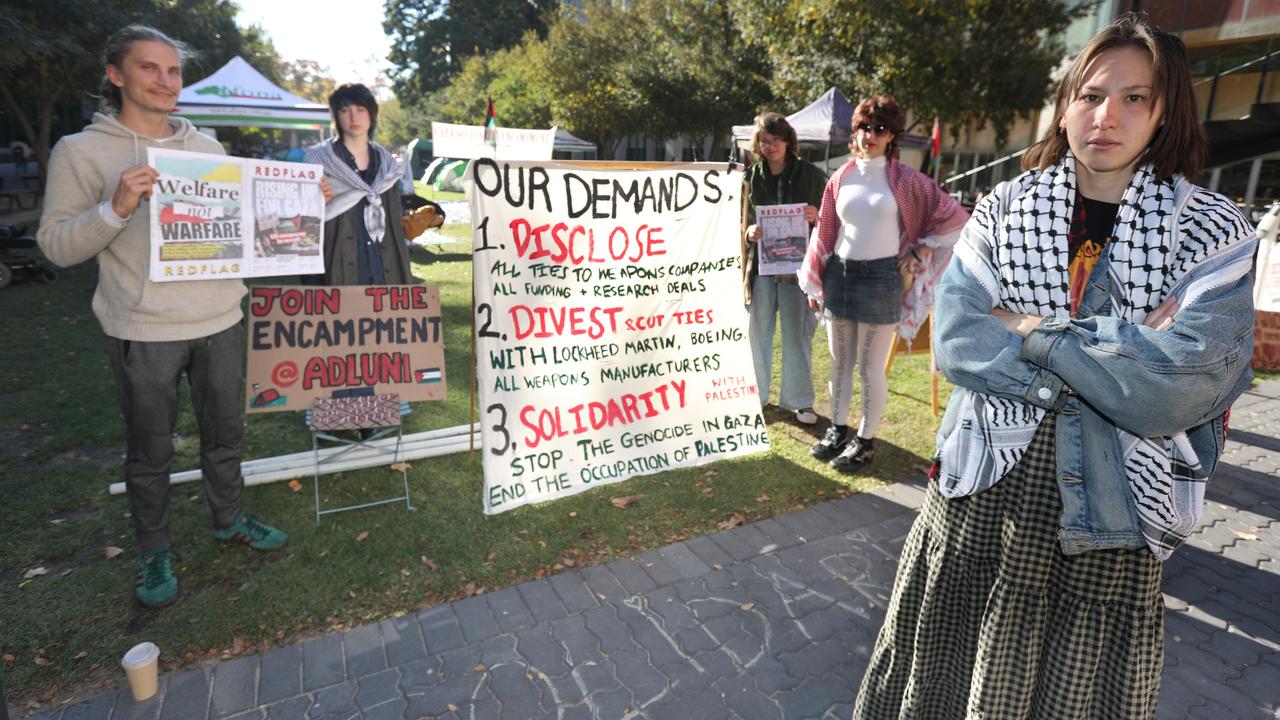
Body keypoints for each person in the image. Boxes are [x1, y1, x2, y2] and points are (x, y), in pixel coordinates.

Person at [853, 14, 1257, 718]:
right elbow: (957, 342)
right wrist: (1120, 353)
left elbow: (1178, 391)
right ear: (1066, 103)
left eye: (1134, 98)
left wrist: (1032, 329)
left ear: (1165, 114)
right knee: (942, 686)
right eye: (1091, 94)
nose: (1106, 115)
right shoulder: (1008, 208)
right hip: (981, 496)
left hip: (1110, 515)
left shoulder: (1211, 230)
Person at [37, 25, 288, 610]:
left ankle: (229, 517)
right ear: (116, 75)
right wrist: (115, 207)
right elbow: (55, 246)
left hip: (222, 318)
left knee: (225, 436)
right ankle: (155, 551)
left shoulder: (208, 150)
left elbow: (244, 230)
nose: (165, 81)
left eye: (173, 71)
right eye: (149, 69)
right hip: (143, 329)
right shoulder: (80, 152)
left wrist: (299, 201)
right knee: (150, 450)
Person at [798, 97, 968, 471]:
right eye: (865, 127)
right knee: (840, 362)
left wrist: (922, 252)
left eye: (880, 129)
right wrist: (816, 281)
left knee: (869, 368)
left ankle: (865, 441)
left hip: (881, 280)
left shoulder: (907, 180)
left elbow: (955, 217)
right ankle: (837, 431)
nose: (871, 135)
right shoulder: (840, 177)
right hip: (839, 275)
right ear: (855, 130)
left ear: (892, 136)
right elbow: (825, 230)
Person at [742, 112, 827, 425]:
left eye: (775, 139)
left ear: (788, 141)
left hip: (798, 271)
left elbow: (833, 219)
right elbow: (740, 220)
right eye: (764, 140)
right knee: (758, 334)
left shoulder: (813, 176)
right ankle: (757, 397)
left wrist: (817, 216)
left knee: (797, 335)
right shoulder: (750, 178)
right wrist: (749, 232)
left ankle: (800, 401)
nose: (769, 146)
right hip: (762, 269)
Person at [305, 83, 414, 285]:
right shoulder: (316, 161)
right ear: (337, 117)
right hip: (336, 270)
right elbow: (301, 219)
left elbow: (394, 222)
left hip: (384, 270)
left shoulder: (388, 165)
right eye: (345, 110)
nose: (354, 118)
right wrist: (316, 201)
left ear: (372, 115)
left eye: (360, 110)